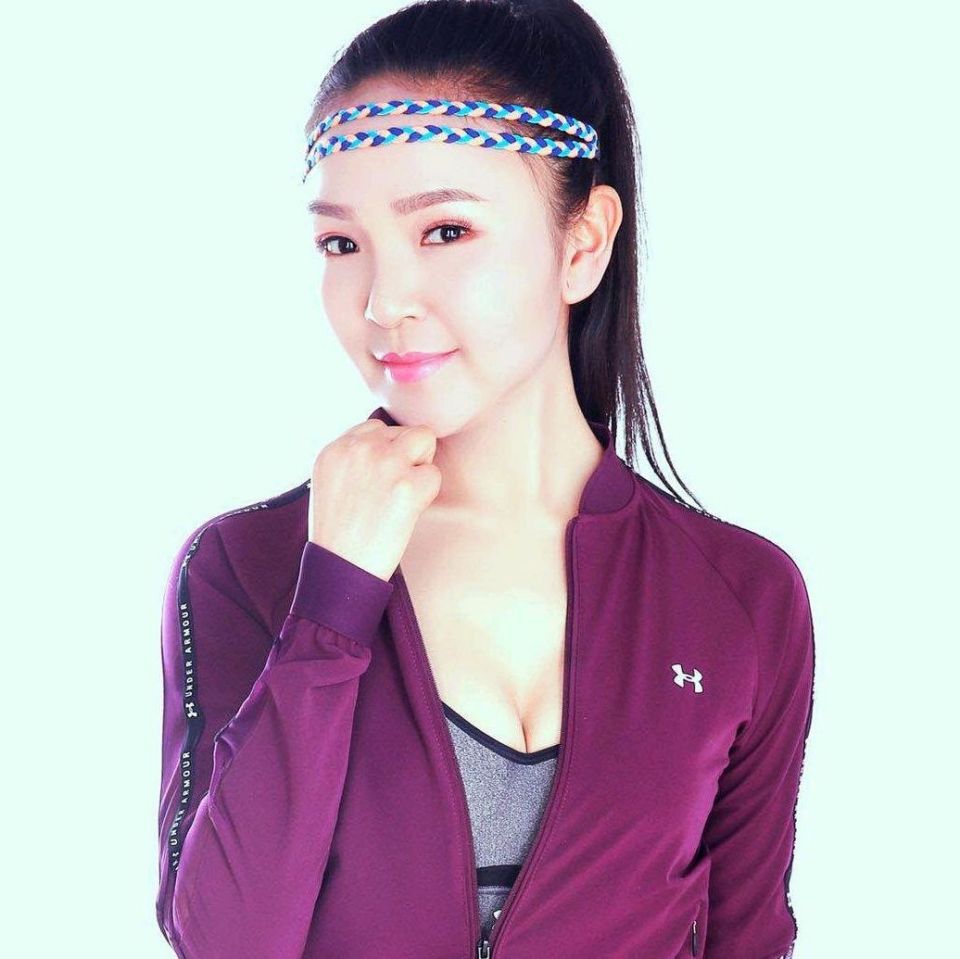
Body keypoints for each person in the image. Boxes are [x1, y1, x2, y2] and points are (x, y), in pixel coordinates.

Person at [155, 1, 816, 957]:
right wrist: (330, 607)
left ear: (582, 244)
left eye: (445, 231)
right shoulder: (248, 566)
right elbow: (224, 941)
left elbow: (749, 939)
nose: (383, 302)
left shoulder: (740, 598)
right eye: (341, 244)